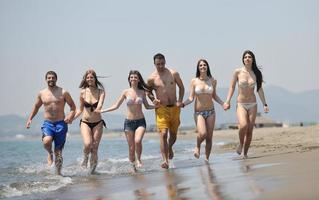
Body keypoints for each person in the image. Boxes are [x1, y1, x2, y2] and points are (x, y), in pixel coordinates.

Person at [100, 70, 155, 171]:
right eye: (131, 77)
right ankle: (133, 167)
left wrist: (156, 107)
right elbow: (116, 106)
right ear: (129, 79)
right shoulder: (125, 92)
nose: (133, 79)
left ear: (139, 79)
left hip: (140, 121)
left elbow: (147, 106)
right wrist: (103, 110)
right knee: (131, 147)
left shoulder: (142, 92)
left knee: (138, 141)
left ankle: (138, 159)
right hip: (128, 122)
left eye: (135, 77)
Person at [26, 71, 76, 175]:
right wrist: (30, 118)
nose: (51, 79)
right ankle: (49, 153)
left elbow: (73, 107)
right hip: (48, 123)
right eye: (49, 78)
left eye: (53, 78)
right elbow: (36, 106)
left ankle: (58, 174)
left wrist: (70, 116)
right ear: (46, 79)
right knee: (46, 141)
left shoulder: (63, 92)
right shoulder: (42, 93)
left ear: (56, 79)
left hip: (61, 124)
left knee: (59, 152)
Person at [224, 50, 269, 159]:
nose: (247, 59)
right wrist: (227, 101)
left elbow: (259, 89)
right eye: (245, 57)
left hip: (253, 104)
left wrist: (265, 104)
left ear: (252, 59)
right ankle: (240, 143)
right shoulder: (237, 72)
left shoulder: (256, 73)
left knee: (249, 130)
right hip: (241, 104)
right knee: (243, 125)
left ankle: (245, 154)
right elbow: (232, 87)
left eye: (249, 57)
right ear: (243, 60)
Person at [147, 53, 185, 169]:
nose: (160, 66)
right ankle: (165, 161)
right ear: (154, 64)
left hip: (174, 108)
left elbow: (182, 87)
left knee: (173, 135)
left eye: (162, 63)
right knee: (163, 134)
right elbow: (147, 92)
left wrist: (180, 100)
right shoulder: (151, 78)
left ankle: (169, 147)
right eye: (158, 64)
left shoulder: (173, 73)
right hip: (161, 109)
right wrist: (153, 99)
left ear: (165, 62)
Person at [182, 59, 224, 161]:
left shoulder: (213, 80)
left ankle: (207, 159)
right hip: (199, 112)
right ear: (198, 68)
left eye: (204, 65)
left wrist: (223, 103)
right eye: (200, 65)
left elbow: (214, 96)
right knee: (203, 134)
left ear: (207, 67)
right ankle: (197, 146)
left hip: (211, 112)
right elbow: (191, 97)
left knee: (209, 138)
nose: (202, 67)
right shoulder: (194, 81)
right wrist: (183, 104)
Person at [73, 69, 106, 174]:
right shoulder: (82, 92)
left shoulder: (101, 92)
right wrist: (72, 118)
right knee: (88, 144)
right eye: (87, 78)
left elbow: (100, 103)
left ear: (95, 78)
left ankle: (92, 172)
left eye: (91, 77)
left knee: (95, 148)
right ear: (85, 79)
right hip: (85, 122)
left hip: (98, 123)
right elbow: (80, 109)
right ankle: (85, 158)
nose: (89, 79)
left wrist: (99, 108)